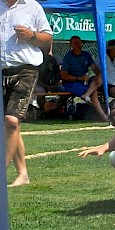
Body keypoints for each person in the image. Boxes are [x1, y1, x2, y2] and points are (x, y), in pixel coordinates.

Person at [1, 0, 52, 187]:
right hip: (2, 71)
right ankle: (23, 174)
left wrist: (31, 36)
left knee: (11, 121)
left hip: (27, 70)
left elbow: (48, 38)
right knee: (12, 126)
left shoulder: (33, 6)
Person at [61, 35, 108, 121]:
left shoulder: (86, 55)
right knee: (94, 91)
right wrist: (79, 78)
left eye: (79, 42)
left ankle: (86, 95)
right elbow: (63, 75)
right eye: (75, 43)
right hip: (71, 83)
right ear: (71, 45)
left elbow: (95, 69)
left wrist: (99, 75)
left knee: (100, 77)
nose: (78, 45)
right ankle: (103, 116)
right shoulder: (68, 57)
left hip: (85, 81)